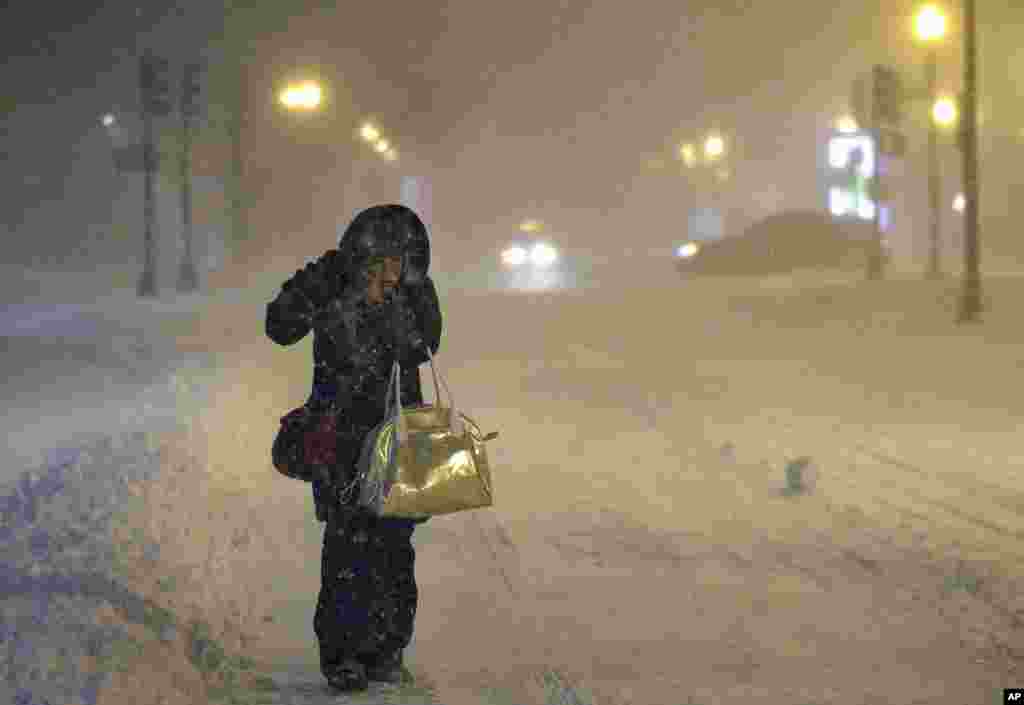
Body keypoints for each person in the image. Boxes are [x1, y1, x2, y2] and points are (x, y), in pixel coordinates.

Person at [265, 204, 442, 692]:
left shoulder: (410, 294)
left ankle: (386, 649)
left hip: (396, 440)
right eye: (384, 260)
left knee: (394, 548)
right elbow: (279, 327)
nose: (392, 271)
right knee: (347, 545)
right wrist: (320, 286)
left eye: (401, 261)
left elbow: (425, 344)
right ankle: (343, 655)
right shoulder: (331, 285)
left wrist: (400, 301)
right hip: (339, 439)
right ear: (362, 257)